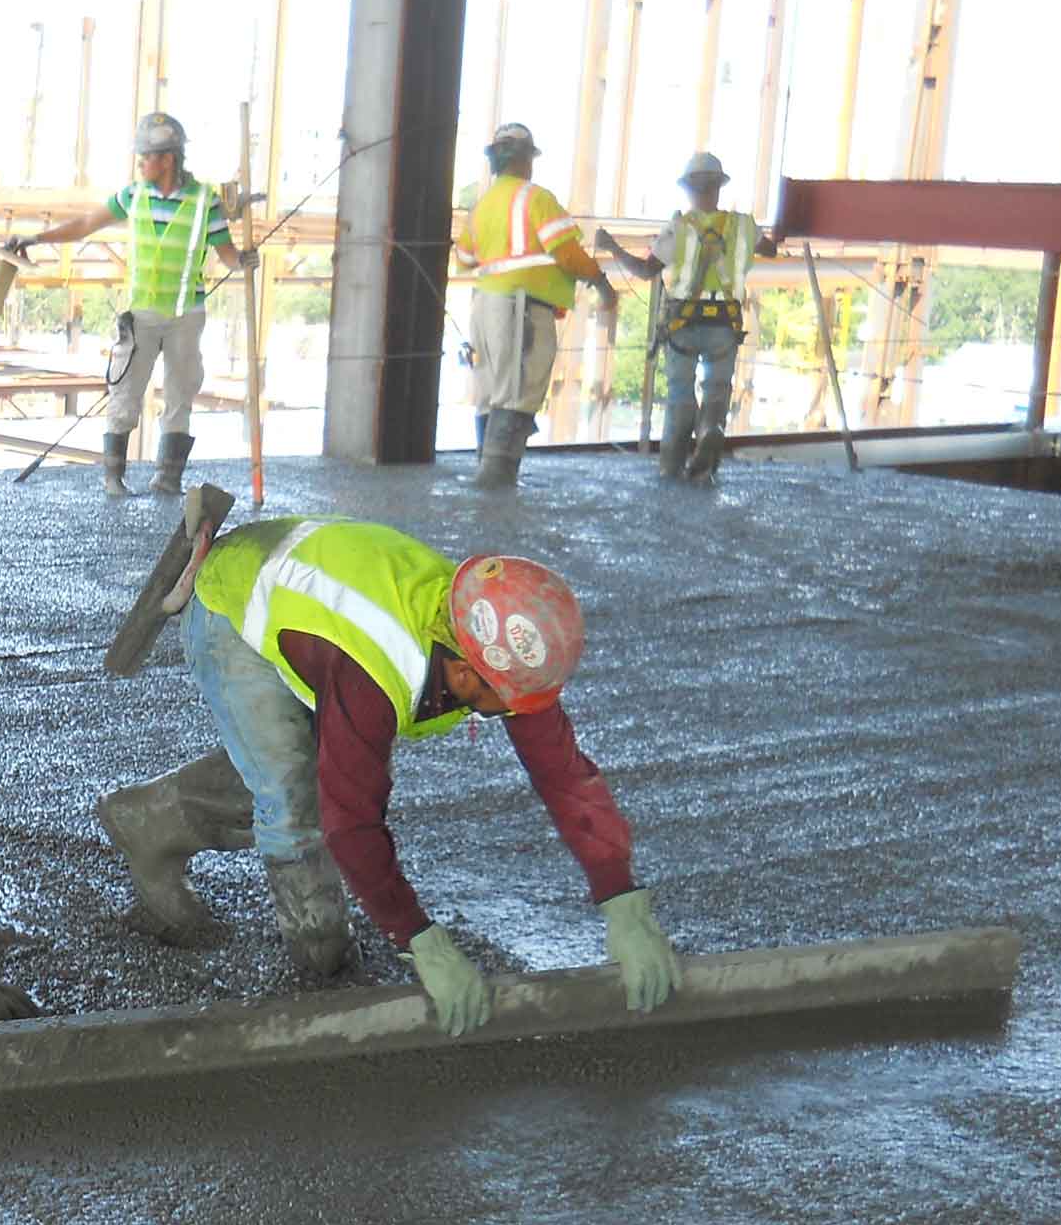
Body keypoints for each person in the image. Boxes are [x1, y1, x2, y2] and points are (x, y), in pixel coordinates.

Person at [96, 515, 680, 1036]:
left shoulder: (490, 632)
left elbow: (562, 770)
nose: (512, 712)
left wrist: (621, 896)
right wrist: (419, 940)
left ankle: (150, 819)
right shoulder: (379, 669)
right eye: (505, 700)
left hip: (306, 588)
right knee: (297, 802)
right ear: (463, 665)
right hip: (233, 600)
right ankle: (321, 969)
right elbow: (350, 822)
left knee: (300, 766)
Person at [16, 112, 250, 498]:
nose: (140, 163)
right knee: (125, 393)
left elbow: (227, 254)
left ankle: (168, 479)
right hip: (140, 316)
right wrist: (38, 238)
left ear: (168, 159)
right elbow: (85, 224)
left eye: (146, 157)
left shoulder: (205, 201)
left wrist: (243, 261)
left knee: (180, 397)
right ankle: (113, 479)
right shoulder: (133, 195)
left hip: (185, 317)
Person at [592, 151, 775, 482]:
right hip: (725, 322)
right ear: (719, 187)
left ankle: (671, 469)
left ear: (689, 189)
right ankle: (710, 436)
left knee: (680, 393)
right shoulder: (744, 227)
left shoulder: (678, 229)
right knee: (717, 389)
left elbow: (646, 270)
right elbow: (770, 249)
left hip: (683, 323)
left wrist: (611, 247)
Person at [452, 122, 615, 489]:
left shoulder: (482, 205)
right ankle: (496, 481)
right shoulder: (536, 199)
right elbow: (569, 255)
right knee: (517, 390)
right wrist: (601, 282)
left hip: (485, 308)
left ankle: (488, 474)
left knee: (491, 392)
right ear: (527, 159)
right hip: (521, 310)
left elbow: (464, 258)